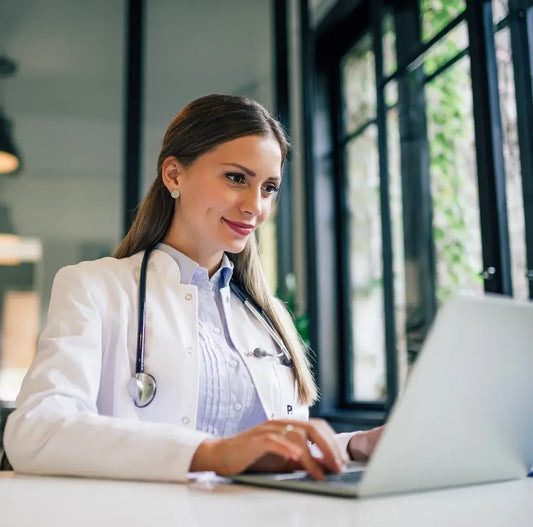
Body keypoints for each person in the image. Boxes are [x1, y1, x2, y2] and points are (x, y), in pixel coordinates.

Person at [3, 94, 382, 482]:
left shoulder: (268, 318)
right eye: (237, 178)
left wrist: (352, 446)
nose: (256, 206)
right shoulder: (94, 287)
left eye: (269, 187)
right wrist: (212, 454)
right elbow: (36, 431)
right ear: (173, 175)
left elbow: (276, 450)